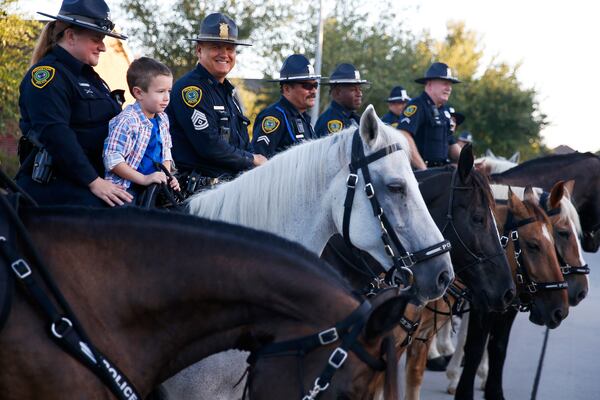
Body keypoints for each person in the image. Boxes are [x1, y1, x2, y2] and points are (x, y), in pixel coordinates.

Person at [16, 0, 133, 207]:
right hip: (59, 186)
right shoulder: (48, 76)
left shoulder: (91, 78)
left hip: (93, 180)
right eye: (97, 39)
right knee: (128, 218)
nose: (103, 47)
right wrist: (94, 181)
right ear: (70, 36)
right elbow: (55, 134)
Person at [166, 13, 266, 192]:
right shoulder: (191, 90)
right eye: (216, 47)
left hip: (228, 190)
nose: (225, 54)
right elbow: (209, 146)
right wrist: (252, 159)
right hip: (197, 194)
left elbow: (242, 142)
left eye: (230, 48)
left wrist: (252, 160)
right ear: (199, 50)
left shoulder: (229, 92)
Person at [103, 57, 180, 201]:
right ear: (139, 93)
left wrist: (168, 177)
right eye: (160, 91)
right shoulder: (128, 120)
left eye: (169, 91)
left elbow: (166, 152)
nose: (167, 97)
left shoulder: (163, 118)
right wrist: (144, 179)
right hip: (128, 188)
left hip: (154, 186)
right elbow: (112, 159)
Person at [251, 54, 321, 157]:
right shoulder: (274, 118)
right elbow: (259, 160)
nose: (314, 91)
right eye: (307, 86)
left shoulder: (303, 118)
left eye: (315, 85)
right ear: (287, 89)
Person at [397, 62, 462, 170]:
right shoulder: (417, 105)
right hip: (418, 174)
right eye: (445, 83)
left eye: (450, 84)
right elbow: (404, 135)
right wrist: (423, 168)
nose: (449, 88)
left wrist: (470, 164)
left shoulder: (444, 111)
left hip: (440, 172)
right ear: (430, 84)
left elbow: (451, 144)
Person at [314, 63, 368, 137]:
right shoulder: (331, 121)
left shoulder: (354, 118)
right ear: (338, 93)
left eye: (360, 89)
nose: (360, 94)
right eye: (353, 90)